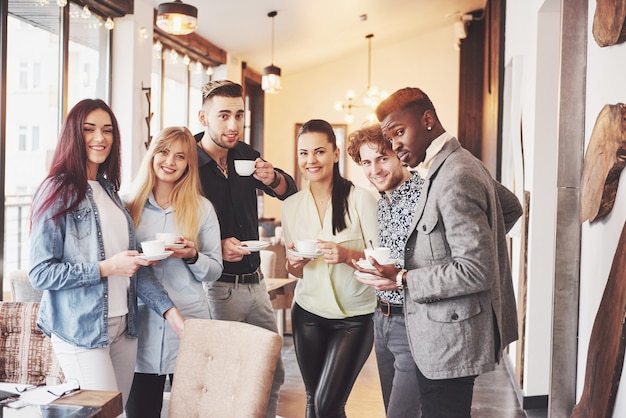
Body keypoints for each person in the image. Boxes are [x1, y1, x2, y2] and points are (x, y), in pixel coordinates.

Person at [353, 87, 523, 417]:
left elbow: (475, 269)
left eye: (399, 132)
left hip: (448, 333)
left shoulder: (456, 174)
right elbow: (508, 209)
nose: (395, 145)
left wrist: (403, 278)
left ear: (427, 120)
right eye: (390, 138)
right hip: (434, 329)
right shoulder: (450, 165)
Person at [29, 99, 185, 408]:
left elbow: (134, 266)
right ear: (74, 135)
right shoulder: (56, 190)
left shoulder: (111, 191)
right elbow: (41, 273)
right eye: (89, 129)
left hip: (124, 327)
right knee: (104, 414)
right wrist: (105, 267)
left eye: (107, 130)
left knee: (116, 410)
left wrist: (170, 312)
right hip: (80, 330)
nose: (100, 138)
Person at [195, 80, 297, 418]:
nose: (233, 124)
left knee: (270, 370)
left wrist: (272, 177)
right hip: (216, 287)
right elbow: (173, 222)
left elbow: (287, 190)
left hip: (256, 285)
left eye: (239, 115)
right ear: (203, 117)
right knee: (226, 378)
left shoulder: (246, 154)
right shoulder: (188, 161)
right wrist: (215, 246)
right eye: (223, 115)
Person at [282, 119, 379, 418]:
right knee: (314, 401)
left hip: (355, 318)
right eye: (303, 153)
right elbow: (294, 270)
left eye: (319, 151)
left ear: (335, 154)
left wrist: (348, 254)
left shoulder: (362, 199)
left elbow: (381, 262)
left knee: (327, 403)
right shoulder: (291, 206)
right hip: (308, 313)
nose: (311, 160)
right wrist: (294, 263)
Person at [124, 126, 223, 418]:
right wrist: (137, 260)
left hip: (190, 326)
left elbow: (215, 270)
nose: (170, 161)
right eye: (164, 152)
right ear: (152, 154)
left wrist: (192, 256)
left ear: (188, 165)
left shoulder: (202, 209)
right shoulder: (127, 204)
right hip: (141, 327)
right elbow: (118, 263)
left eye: (180, 156)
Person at [346, 123, 423, 418]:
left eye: (382, 158)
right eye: (366, 162)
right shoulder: (381, 203)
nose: (374, 169)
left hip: (415, 321)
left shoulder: (426, 195)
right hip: (382, 318)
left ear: (400, 155)